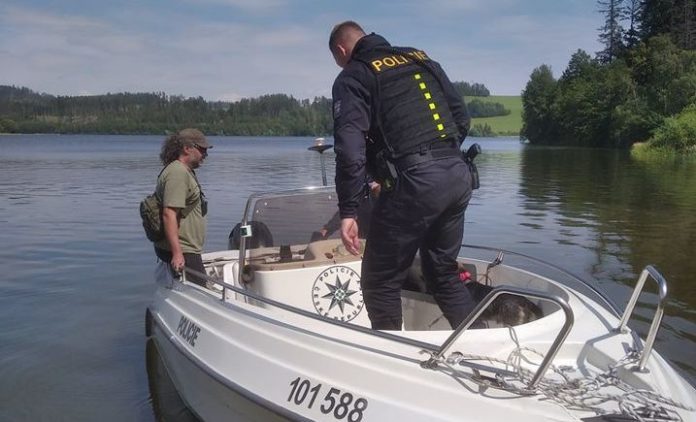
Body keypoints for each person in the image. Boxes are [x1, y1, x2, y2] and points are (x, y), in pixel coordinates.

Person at [329, 21, 476, 330]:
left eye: (338, 59)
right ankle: (483, 348)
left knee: (379, 281)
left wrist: (349, 211)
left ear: (342, 51)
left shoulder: (354, 75)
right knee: (443, 274)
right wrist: (441, 160)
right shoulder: (420, 58)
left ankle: (392, 361)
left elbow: (349, 149)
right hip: (458, 175)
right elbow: (461, 117)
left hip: (417, 183)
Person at [153, 128, 212, 287]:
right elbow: (169, 214)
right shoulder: (177, 173)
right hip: (184, 249)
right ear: (187, 148)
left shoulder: (184, 171)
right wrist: (177, 253)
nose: (205, 154)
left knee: (201, 292)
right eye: (202, 149)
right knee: (201, 294)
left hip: (188, 248)